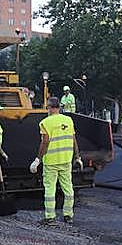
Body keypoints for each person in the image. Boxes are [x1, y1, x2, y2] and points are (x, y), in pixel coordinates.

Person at [31, 95, 80, 225]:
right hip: (66, 160)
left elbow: (45, 142)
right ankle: (68, 215)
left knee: (50, 189)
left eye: (47, 107)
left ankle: (50, 217)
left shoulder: (45, 122)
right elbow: (73, 140)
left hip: (51, 162)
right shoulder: (69, 120)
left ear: (50, 108)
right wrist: (77, 157)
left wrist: (38, 159)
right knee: (68, 189)